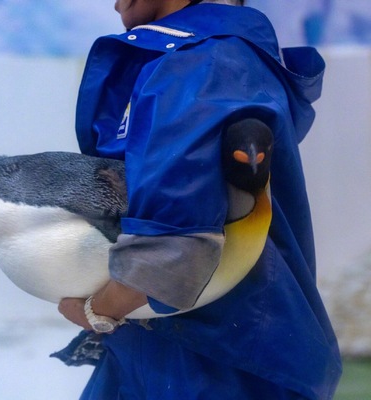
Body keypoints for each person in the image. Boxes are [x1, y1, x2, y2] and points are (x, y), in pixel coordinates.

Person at [57, 1, 342, 399]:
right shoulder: (219, 59)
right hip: (183, 341)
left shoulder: (201, 64)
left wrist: (97, 311)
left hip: (213, 359)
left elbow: (171, 255)